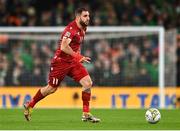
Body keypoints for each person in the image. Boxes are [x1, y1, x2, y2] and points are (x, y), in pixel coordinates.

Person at [23, 7, 100, 123]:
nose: (88, 18)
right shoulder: (70, 29)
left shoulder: (84, 28)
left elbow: (76, 45)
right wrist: (78, 56)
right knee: (51, 89)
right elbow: (64, 47)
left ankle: (86, 114)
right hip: (60, 62)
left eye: (88, 16)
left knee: (88, 83)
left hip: (73, 62)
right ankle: (30, 104)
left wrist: (76, 56)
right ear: (78, 17)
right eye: (85, 16)